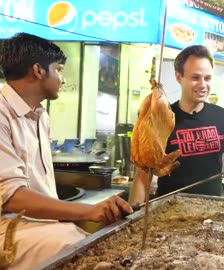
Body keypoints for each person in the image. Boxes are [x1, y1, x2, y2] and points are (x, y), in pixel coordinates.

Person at [0, 33, 133, 269]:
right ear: (38, 70)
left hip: (40, 225)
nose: (62, 79)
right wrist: (88, 211)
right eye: (59, 70)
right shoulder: (2, 112)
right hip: (9, 230)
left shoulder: (40, 115)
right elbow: (11, 196)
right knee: (80, 253)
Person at [129, 45, 224, 204]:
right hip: (169, 214)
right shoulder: (162, 119)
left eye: (207, 78)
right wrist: (131, 216)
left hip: (212, 213)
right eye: (195, 78)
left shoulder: (223, 116)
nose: (203, 84)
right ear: (179, 77)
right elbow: (143, 175)